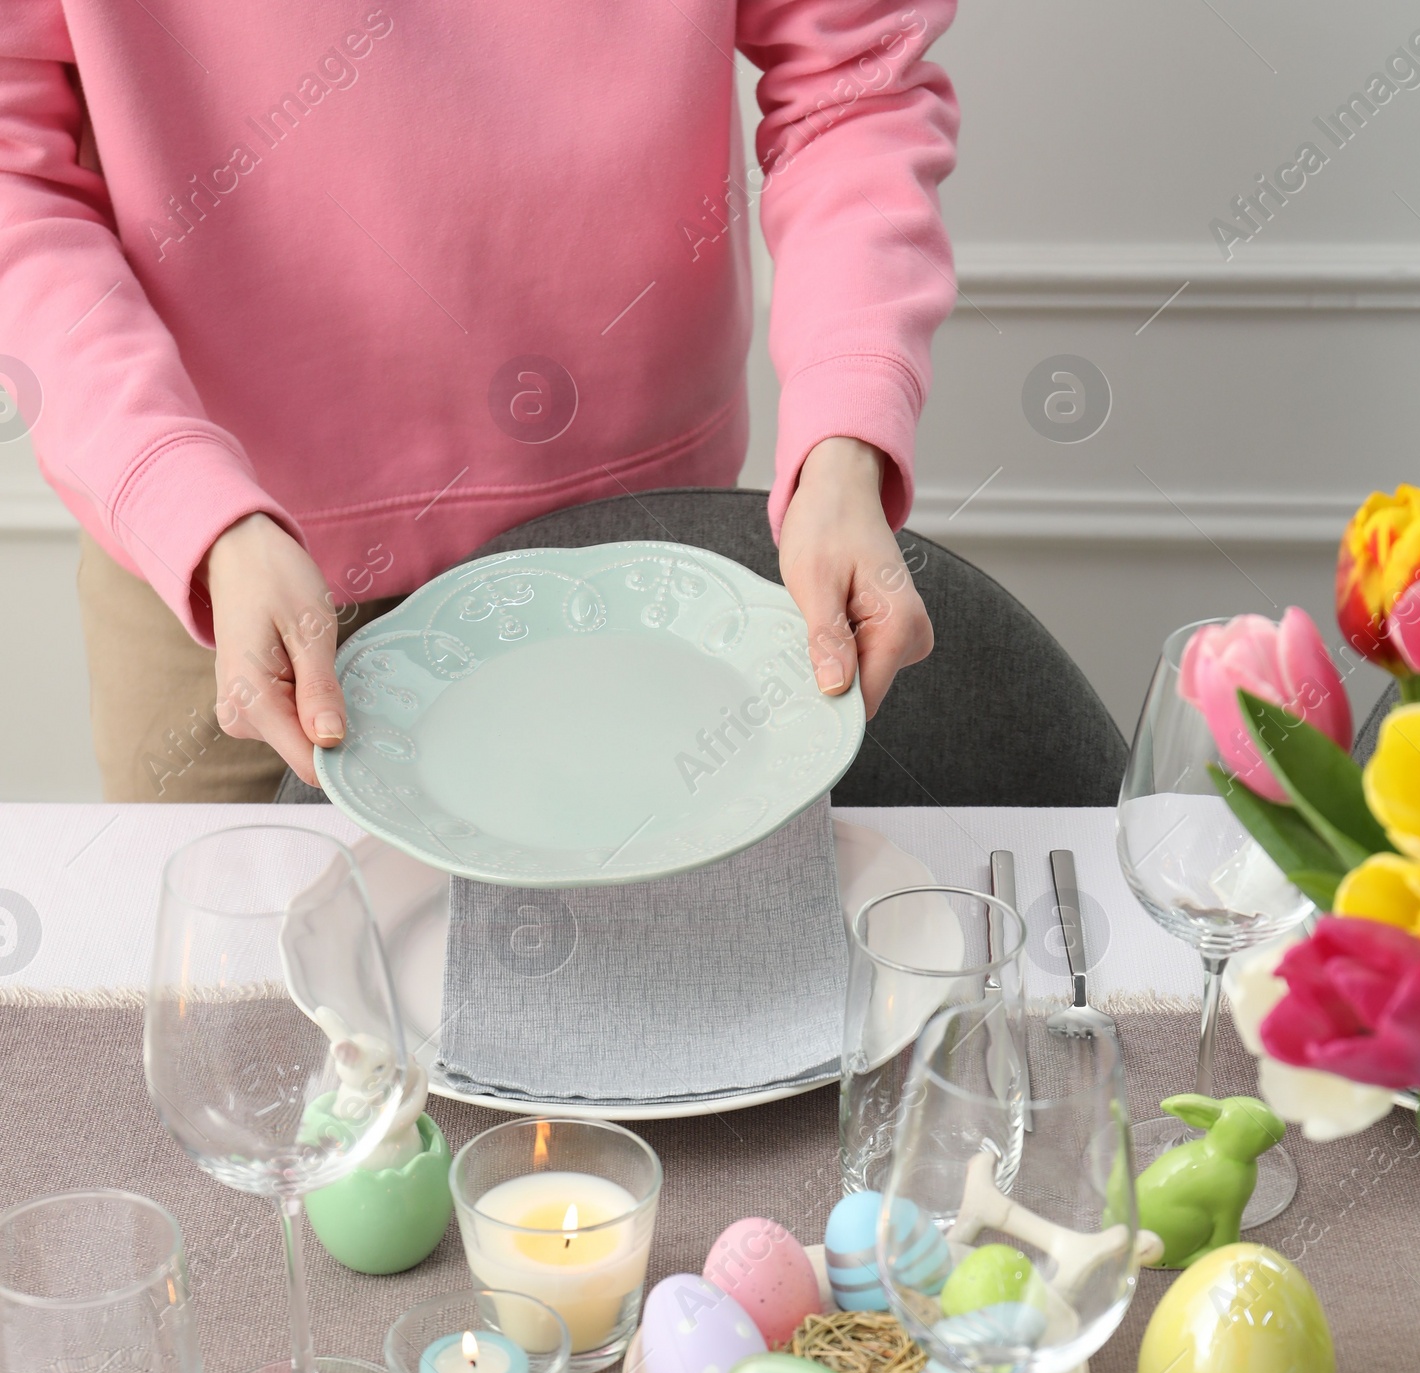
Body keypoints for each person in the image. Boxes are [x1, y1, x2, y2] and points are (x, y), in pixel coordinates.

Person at [0, 3, 959, 804]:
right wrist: (184, 504)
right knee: (228, 1018)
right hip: (217, 585)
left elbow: (853, 84)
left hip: (635, 559)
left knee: (646, 1006)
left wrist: (846, 435)